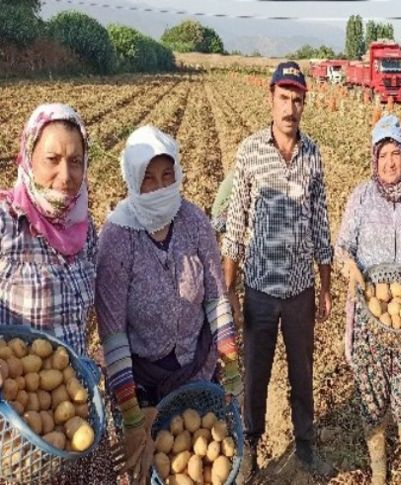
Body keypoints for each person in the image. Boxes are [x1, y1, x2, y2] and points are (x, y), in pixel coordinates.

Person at [95, 125, 242, 484]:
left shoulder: (193, 221)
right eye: (149, 178)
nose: (160, 188)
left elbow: (215, 299)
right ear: (132, 180)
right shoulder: (117, 238)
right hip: (141, 382)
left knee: (201, 459)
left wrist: (232, 366)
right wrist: (132, 415)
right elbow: (113, 335)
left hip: (196, 370)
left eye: (167, 175)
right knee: (152, 468)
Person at [222, 61, 334, 481]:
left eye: (297, 99)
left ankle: (305, 445)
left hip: (301, 289)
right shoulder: (250, 151)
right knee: (255, 372)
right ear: (270, 98)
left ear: (304, 104)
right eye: (284, 98)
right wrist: (228, 291)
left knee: (302, 371)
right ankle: (250, 443)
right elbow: (236, 224)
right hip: (260, 291)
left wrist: (325, 287)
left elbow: (321, 223)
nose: (290, 107)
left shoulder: (313, 154)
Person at [0, 103, 116, 483]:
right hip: (15, 434)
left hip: (74, 413)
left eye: (77, 161)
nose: (65, 175)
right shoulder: (6, 223)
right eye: (52, 158)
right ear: (28, 156)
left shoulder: (86, 230)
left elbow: (95, 315)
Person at [336, 114, 401, 485]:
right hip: (370, 314)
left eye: (395, 153)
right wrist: (353, 271)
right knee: (371, 394)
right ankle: (380, 466)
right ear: (373, 158)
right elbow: (343, 247)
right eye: (382, 155)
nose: (390, 162)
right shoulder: (361, 197)